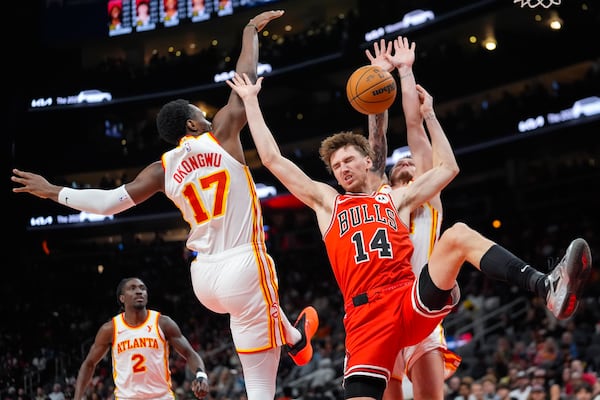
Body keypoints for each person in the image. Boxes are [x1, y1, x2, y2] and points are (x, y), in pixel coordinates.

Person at [225, 70, 592, 400]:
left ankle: (546, 286)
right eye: (336, 166)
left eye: (349, 160)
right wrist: (253, 102)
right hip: (364, 318)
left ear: (368, 161)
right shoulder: (327, 203)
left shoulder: (395, 199)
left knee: (458, 234)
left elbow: (448, 167)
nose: (343, 168)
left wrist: (429, 113)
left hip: (407, 300)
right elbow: (273, 159)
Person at [12, 10, 319, 400]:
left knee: (262, 321)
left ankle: (294, 338)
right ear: (193, 125)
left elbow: (108, 203)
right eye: (200, 114)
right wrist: (249, 31)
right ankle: (292, 339)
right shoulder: (222, 134)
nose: (207, 116)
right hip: (243, 263)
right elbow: (245, 82)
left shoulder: (161, 169)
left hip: (204, 279)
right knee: (261, 387)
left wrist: (54, 190)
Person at [366, 37, 461, 400]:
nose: (406, 159)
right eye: (400, 161)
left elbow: (413, 127)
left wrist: (406, 72)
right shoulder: (384, 199)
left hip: (422, 309)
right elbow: (376, 147)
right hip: (385, 312)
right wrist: (378, 79)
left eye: (411, 160)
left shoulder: (429, 196)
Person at [73, 277, 209, 400]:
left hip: (161, 397)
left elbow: (190, 354)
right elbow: (89, 364)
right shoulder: (110, 329)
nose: (139, 291)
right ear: (122, 298)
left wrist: (201, 376)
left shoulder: (162, 323)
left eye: (142, 288)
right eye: (132, 288)